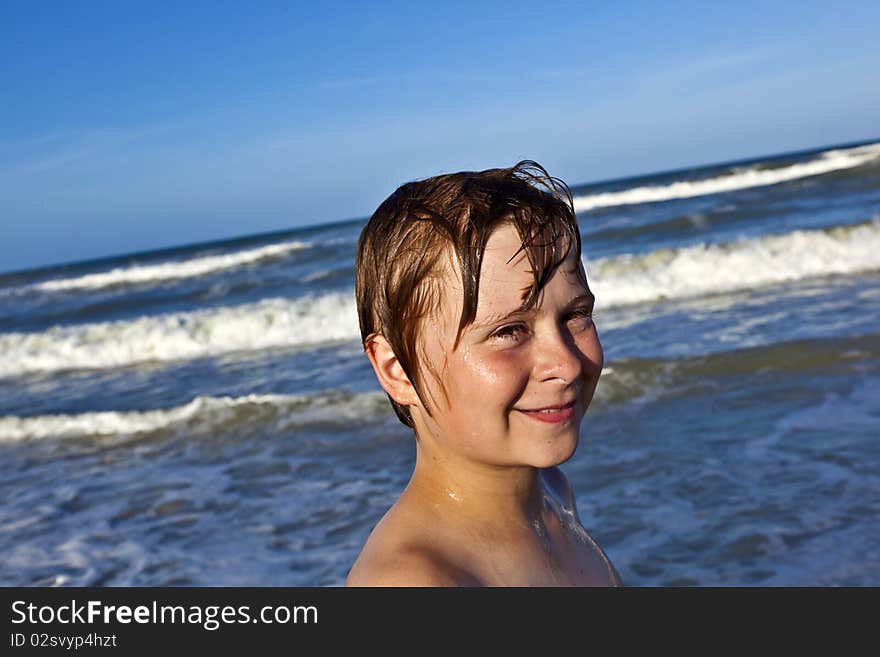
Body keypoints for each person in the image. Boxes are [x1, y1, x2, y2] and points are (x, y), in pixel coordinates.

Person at [346, 161, 621, 586]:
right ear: (396, 369)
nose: (565, 365)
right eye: (509, 331)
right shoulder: (416, 581)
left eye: (575, 315)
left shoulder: (552, 492)